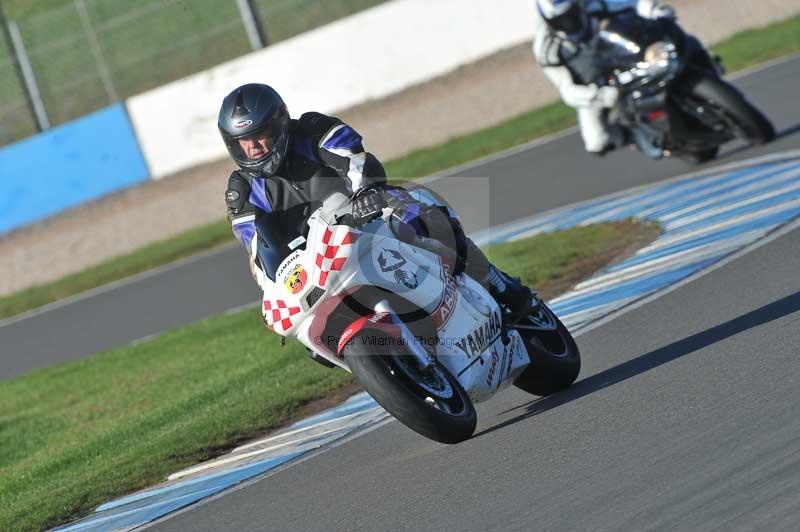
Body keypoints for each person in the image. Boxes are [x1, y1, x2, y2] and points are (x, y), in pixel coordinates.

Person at [220, 83, 534, 324]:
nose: (254, 147)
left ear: (279, 123)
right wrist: (274, 290)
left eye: (261, 135)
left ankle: (496, 282)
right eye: (243, 143)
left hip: (363, 215)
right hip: (317, 260)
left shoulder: (311, 130)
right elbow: (256, 249)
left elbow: (353, 158)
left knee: (417, 215)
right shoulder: (242, 189)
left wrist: (363, 193)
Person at [533, 0, 676, 155]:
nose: (568, 22)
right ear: (547, 19)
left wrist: (655, 11)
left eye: (570, 14)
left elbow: (633, 3)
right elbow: (567, 90)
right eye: (560, 20)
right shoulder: (545, 47)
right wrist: (599, 96)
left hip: (627, 61)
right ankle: (635, 136)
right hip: (596, 88)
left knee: (669, 50)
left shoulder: (594, 5)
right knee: (596, 142)